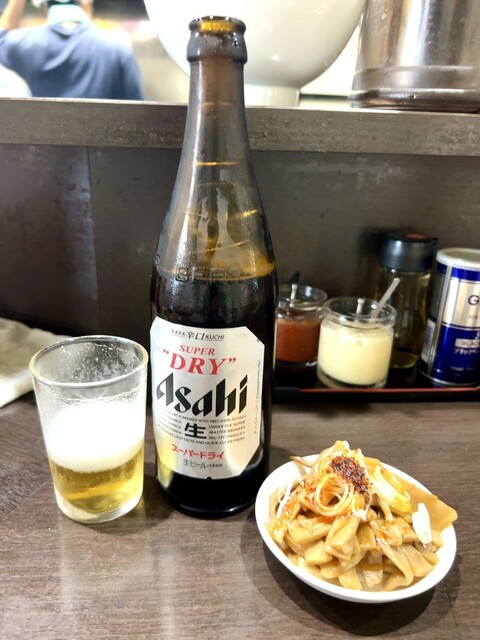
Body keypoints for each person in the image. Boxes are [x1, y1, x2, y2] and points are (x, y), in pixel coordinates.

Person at [0, 0, 144, 100]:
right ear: (86, 4)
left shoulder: (26, 45)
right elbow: (137, 111)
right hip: (102, 136)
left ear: (45, 8)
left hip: (44, 136)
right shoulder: (118, 49)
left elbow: (2, 38)